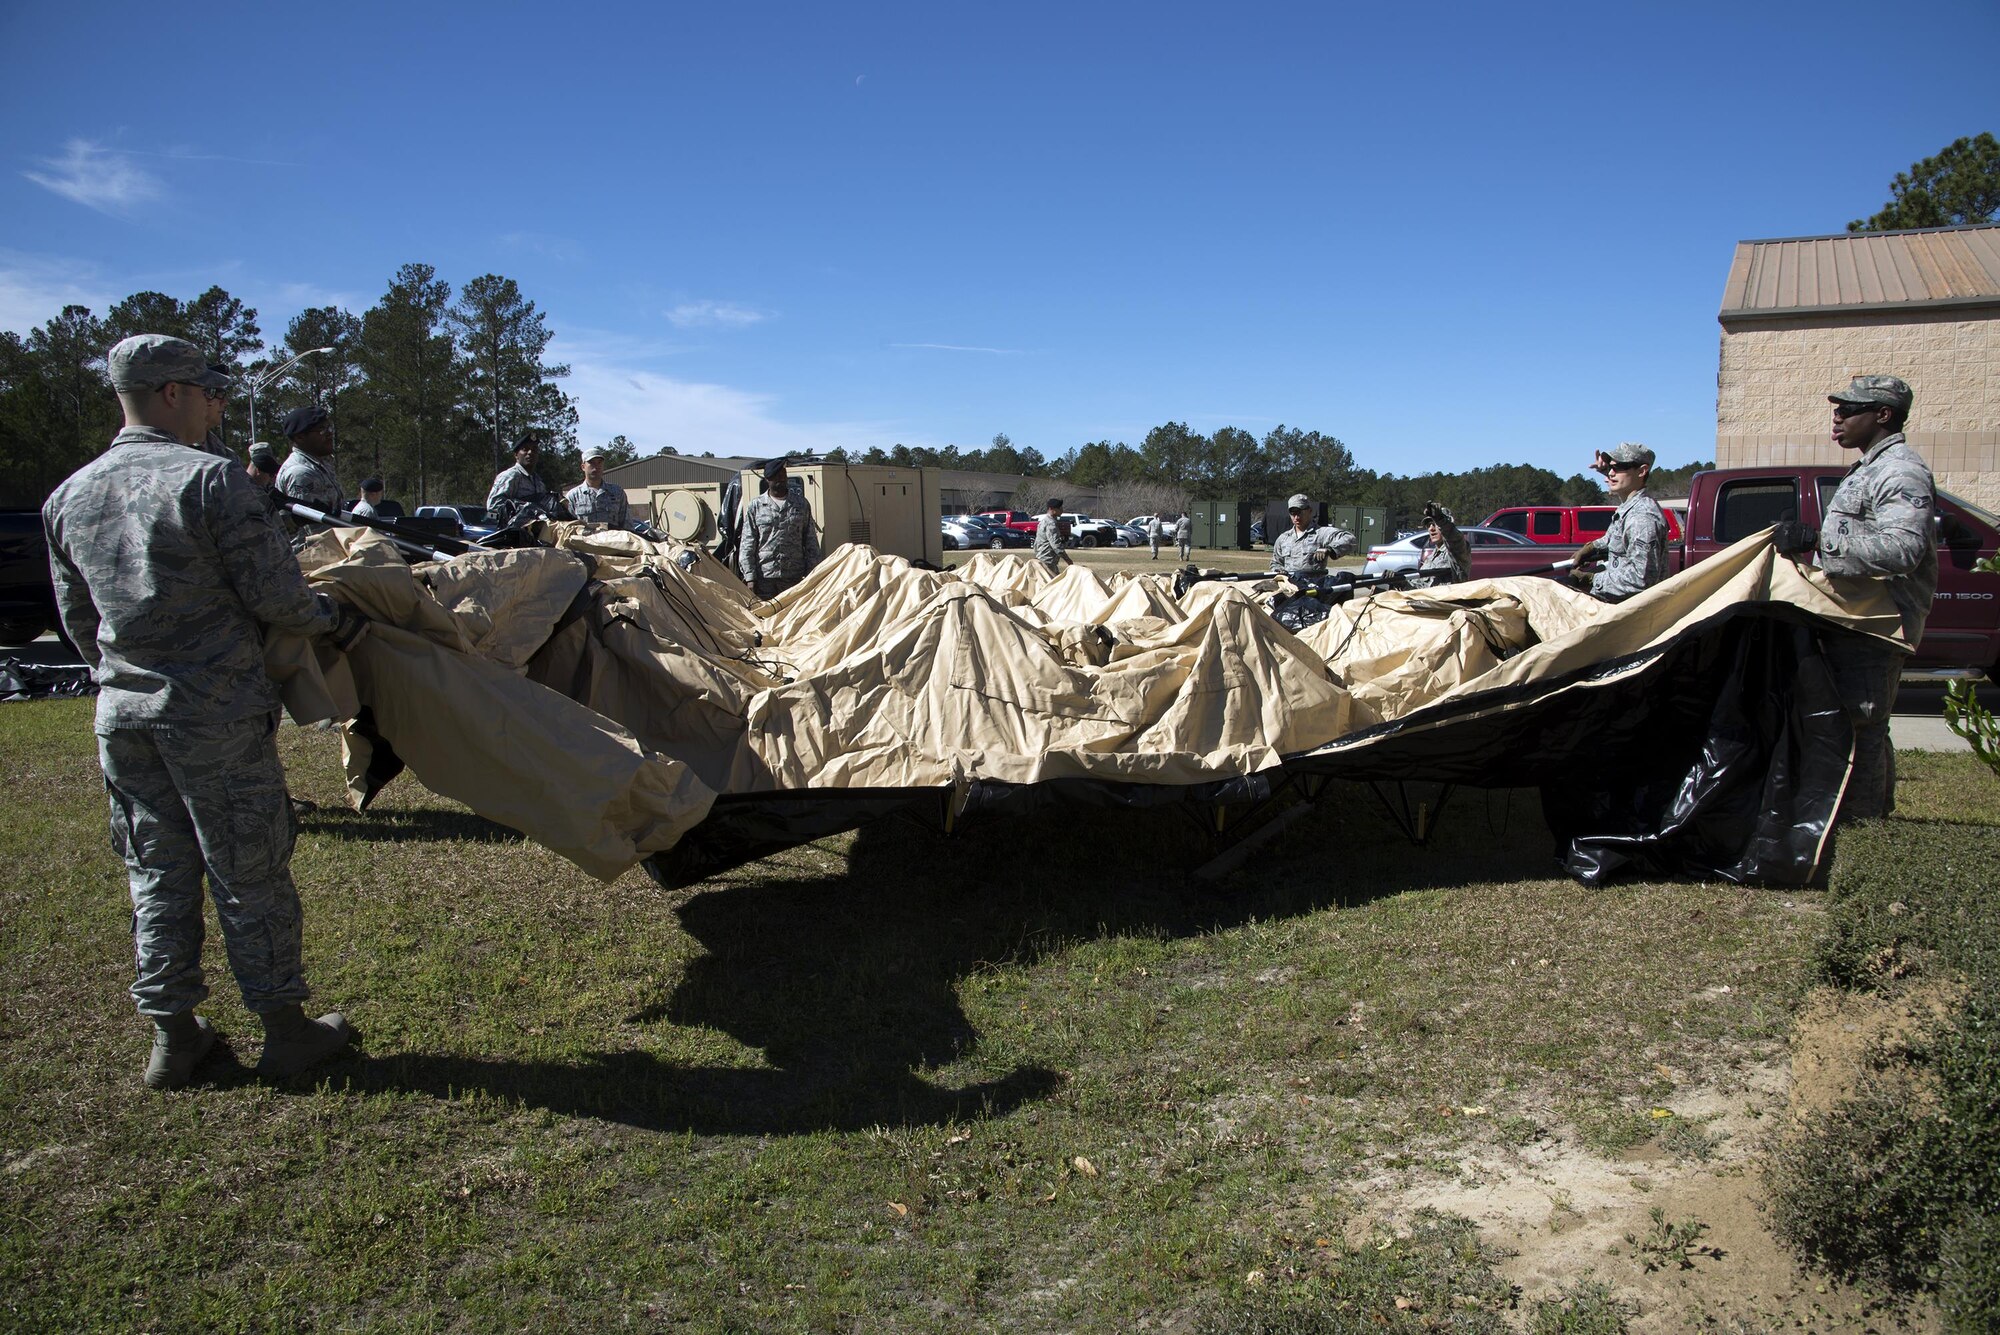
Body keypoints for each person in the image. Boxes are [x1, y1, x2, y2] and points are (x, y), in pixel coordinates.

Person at [41, 334, 365, 1090]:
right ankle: (285, 1031)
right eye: (209, 390)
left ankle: (173, 1036)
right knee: (248, 869)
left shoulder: (70, 496)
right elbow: (274, 594)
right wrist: (332, 615)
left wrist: (130, 673)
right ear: (171, 394)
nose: (219, 403)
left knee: (155, 870)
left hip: (123, 717)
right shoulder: (212, 482)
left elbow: (79, 621)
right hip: (212, 714)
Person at [1772, 375, 1937, 821]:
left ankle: (1862, 828)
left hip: (1879, 622)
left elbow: (1904, 550)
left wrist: (1818, 541)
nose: (1837, 416)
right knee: (1860, 722)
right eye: (1837, 408)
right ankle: (1866, 822)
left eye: (1850, 409)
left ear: (1883, 415)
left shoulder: (1899, 470)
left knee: (1861, 723)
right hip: (1857, 617)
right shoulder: (1868, 467)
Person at [1573, 442, 1669, 603]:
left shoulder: (1642, 518)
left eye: (1618, 468)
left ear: (1642, 471)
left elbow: (1641, 579)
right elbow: (1615, 539)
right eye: (1609, 468)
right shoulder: (1629, 507)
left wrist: (1591, 579)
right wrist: (1593, 547)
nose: (1610, 473)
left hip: (1636, 615)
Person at [737, 459, 820, 598]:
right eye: (776, 476)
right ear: (768, 479)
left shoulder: (801, 504)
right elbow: (747, 543)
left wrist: (812, 574)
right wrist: (750, 577)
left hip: (794, 578)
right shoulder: (756, 506)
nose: (781, 479)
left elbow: (811, 541)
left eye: (783, 474)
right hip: (765, 579)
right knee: (765, 617)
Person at [274, 404, 342, 544]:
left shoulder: (320, 464)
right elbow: (314, 531)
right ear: (300, 437)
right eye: (321, 430)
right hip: (312, 557)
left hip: (328, 550)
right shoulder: (301, 473)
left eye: (329, 427)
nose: (329, 433)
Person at [1269, 493, 1356, 579]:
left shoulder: (1321, 533)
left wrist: (1329, 550)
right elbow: (1276, 562)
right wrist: (1278, 571)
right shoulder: (1283, 538)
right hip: (1290, 588)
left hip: (1313, 588)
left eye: (1299, 513)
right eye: (1293, 513)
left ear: (1310, 511)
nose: (1296, 517)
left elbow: (1350, 539)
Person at [485, 432, 559, 526]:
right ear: (516, 455)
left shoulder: (538, 481)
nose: (530, 453)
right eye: (525, 449)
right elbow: (492, 508)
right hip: (513, 534)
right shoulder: (510, 476)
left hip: (536, 534)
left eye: (534, 450)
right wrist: (522, 509)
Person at [564, 445, 631, 528]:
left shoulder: (617, 493)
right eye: (591, 462)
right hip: (584, 540)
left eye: (599, 462)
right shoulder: (573, 496)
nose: (596, 466)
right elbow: (568, 528)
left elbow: (627, 526)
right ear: (583, 467)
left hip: (613, 540)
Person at [1411, 501, 1471, 588]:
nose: (1431, 528)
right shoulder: (1430, 558)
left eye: (1435, 524)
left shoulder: (1457, 552)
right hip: (1427, 600)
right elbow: (1419, 586)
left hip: (1448, 601)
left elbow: (1454, 538)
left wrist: (1441, 521)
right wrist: (1401, 583)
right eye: (1429, 525)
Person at [1034, 498, 1073, 576]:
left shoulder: (1044, 521)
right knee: (1053, 584)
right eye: (1059, 508)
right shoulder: (1050, 524)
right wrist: (1068, 560)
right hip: (1047, 560)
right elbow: (1056, 545)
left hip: (1042, 558)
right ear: (1051, 509)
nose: (1061, 510)